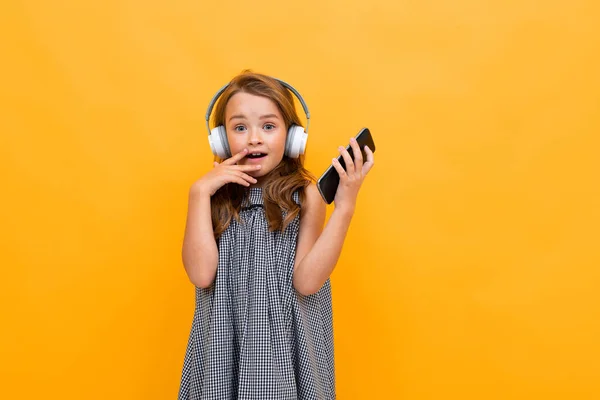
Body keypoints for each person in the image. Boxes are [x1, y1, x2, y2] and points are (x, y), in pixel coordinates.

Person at [178, 70, 375, 400]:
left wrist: (344, 208)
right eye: (240, 128)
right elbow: (200, 274)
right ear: (222, 140)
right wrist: (199, 194)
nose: (254, 138)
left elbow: (307, 281)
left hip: (286, 350)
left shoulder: (306, 196)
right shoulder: (214, 196)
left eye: (268, 126)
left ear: (293, 136)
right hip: (224, 347)